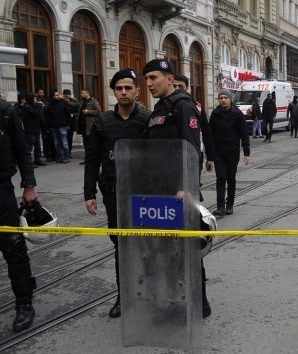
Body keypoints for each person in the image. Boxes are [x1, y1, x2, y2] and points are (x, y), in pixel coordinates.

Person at [141, 58, 211, 318]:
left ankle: (198, 303)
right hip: (159, 192)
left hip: (180, 194)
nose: (148, 83)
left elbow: (193, 150)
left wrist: (186, 187)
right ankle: (173, 301)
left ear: (170, 79)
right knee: (165, 253)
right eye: (146, 79)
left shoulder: (183, 107)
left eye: (154, 78)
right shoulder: (160, 109)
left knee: (187, 251)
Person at [84, 68, 151, 318]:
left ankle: (149, 290)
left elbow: (160, 157)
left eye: (128, 88)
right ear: (114, 92)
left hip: (143, 194)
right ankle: (124, 296)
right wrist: (89, 193)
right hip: (113, 192)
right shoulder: (103, 122)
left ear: (136, 90)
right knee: (121, 245)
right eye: (119, 88)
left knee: (146, 243)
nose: (123, 92)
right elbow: (92, 160)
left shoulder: (147, 119)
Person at [0, 92, 39, 332]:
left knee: (14, 245)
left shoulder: (5, 111)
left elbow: (23, 150)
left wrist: (29, 185)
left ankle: (24, 303)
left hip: (0, 190)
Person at [208, 89, 251, 216]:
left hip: (232, 152)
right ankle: (220, 206)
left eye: (225, 98)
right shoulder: (215, 114)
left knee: (231, 178)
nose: (223, 100)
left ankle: (230, 205)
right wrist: (210, 155)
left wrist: (246, 153)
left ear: (230, 99)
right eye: (220, 98)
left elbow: (244, 134)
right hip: (219, 152)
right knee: (220, 177)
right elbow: (210, 134)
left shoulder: (237, 114)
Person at [172, 73, 216, 178]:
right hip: (172, 155)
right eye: (174, 86)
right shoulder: (164, 106)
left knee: (193, 186)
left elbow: (206, 132)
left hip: (194, 154)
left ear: (187, 88)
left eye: (180, 86)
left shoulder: (197, 107)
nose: (177, 89)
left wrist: (210, 157)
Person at [15, 93, 45, 167]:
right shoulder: (27, 107)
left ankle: (37, 159)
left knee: (37, 146)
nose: (36, 100)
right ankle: (28, 162)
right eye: (34, 99)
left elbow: (39, 115)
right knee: (29, 147)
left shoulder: (33, 106)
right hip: (29, 130)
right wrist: (40, 105)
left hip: (36, 129)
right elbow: (36, 113)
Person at [75, 89, 101, 164]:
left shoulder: (93, 101)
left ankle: (93, 159)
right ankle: (87, 159)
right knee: (85, 144)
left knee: (91, 144)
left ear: (87, 93)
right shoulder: (82, 102)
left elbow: (98, 111)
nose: (81, 94)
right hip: (83, 126)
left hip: (90, 126)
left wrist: (88, 111)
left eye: (82, 93)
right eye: (80, 93)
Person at [48, 90, 72, 163]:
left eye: (59, 95)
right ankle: (59, 157)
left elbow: (68, 115)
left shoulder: (62, 104)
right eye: (56, 95)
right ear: (53, 97)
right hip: (54, 126)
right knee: (56, 143)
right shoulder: (50, 105)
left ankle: (66, 156)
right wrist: (49, 126)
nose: (58, 96)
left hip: (63, 126)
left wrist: (68, 124)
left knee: (64, 142)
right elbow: (48, 116)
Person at [34, 90, 54, 163]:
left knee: (46, 138)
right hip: (37, 122)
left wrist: (43, 105)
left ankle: (47, 154)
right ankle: (39, 155)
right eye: (39, 92)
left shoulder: (46, 101)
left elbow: (48, 110)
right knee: (37, 139)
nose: (41, 94)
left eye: (42, 92)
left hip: (45, 122)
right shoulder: (34, 101)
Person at [61, 89, 79, 158]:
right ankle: (64, 153)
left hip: (71, 122)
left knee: (69, 138)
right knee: (62, 138)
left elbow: (78, 112)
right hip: (62, 122)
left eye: (68, 94)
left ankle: (69, 152)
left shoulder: (74, 101)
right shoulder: (61, 101)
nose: (67, 95)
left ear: (70, 94)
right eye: (65, 94)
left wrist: (73, 115)